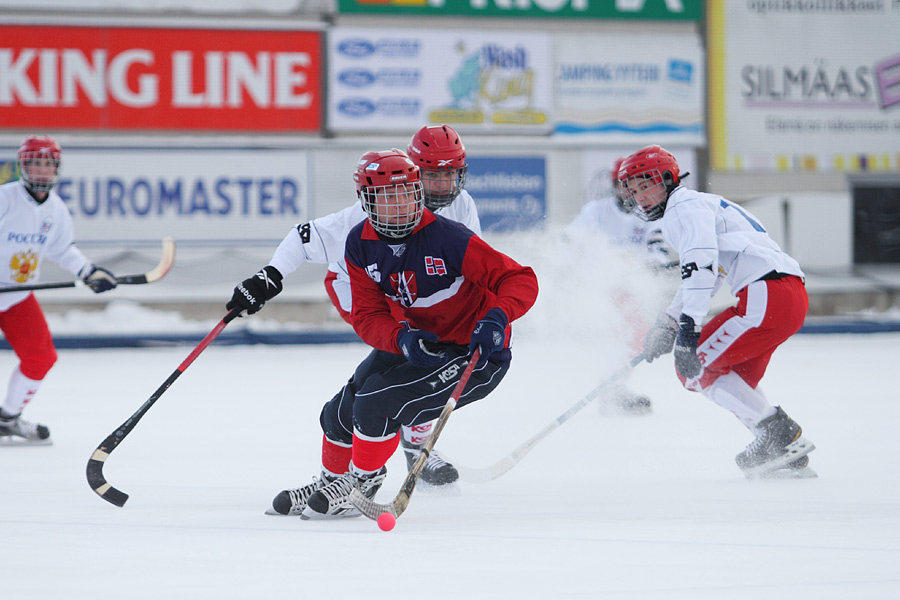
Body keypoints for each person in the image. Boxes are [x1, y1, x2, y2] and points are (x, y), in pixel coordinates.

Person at [242, 148, 537, 519]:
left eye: (407, 193)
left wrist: (496, 317)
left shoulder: (448, 237)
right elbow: (367, 314)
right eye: (387, 197)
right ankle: (332, 480)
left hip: (475, 352)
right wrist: (400, 338)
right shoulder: (359, 243)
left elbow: (519, 278)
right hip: (422, 341)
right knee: (339, 411)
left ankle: (363, 481)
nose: (400, 205)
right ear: (367, 201)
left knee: (377, 401)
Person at [226, 125, 479, 492]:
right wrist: (268, 277)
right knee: (407, 358)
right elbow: (301, 237)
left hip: (412, 287)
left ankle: (414, 440)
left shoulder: (462, 205)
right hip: (362, 289)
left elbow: (473, 262)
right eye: (431, 175)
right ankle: (384, 452)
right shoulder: (372, 211)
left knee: (432, 348)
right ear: (413, 172)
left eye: (449, 175)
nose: (441, 186)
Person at [618, 145, 816, 479]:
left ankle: (779, 436)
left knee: (693, 370)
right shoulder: (702, 206)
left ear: (667, 178)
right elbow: (711, 274)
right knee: (732, 376)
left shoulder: (684, 208)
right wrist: (668, 322)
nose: (640, 196)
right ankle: (780, 451)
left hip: (766, 296)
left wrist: (687, 332)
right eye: (633, 190)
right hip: (786, 297)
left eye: (646, 184)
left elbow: (701, 271)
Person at [0, 135, 117, 445]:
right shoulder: (5, 198)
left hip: (16, 295)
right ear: (23, 166)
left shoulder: (56, 209)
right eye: (35, 164)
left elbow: (63, 249)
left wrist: (89, 271)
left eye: (47, 165)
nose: (41, 171)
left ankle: (7, 419)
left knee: (41, 356)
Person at [566, 156, 678, 415]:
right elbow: (571, 240)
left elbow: (657, 246)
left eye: (632, 185)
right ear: (614, 186)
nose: (627, 191)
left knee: (635, 337)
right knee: (633, 334)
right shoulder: (596, 210)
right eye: (622, 185)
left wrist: (655, 262)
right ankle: (612, 388)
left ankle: (614, 387)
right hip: (601, 287)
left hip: (630, 289)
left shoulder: (649, 213)